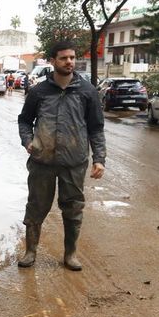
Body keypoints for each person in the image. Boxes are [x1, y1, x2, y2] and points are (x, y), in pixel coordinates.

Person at [16, 40, 106, 271]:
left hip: (74, 163)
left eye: (72, 58)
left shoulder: (87, 91)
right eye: (64, 58)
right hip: (41, 162)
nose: (69, 62)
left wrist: (99, 159)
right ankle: (30, 251)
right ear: (53, 61)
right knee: (36, 207)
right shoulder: (39, 92)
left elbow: (96, 128)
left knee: (73, 208)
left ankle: (70, 254)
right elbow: (25, 121)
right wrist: (28, 141)